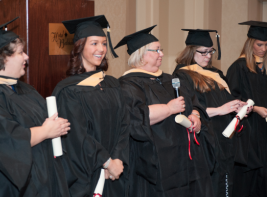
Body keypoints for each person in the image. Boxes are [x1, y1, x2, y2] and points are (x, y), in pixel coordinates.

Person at [0, 17, 71, 197]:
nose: (26, 57)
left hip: (41, 182)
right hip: (2, 188)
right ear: (3, 56)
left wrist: (55, 127)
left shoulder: (23, 89)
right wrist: (46, 131)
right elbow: (6, 139)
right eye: (20, 52)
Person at [115, 25, 214, 197]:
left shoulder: (173, 79)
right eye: (157, 50)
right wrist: (169, 109)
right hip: (157, 163)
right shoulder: (128, 84)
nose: (161, 54)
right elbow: (135, 118)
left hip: (187, 160)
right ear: (141, 54)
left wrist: (196, 116)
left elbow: (194, 103)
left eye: (161, 49)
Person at [52, 15, 129, 197]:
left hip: (116, 171)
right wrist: (106, 162)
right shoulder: (69, 89)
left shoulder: (112, 83)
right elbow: (77, 135)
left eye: (103, 43)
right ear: (80, 47)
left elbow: (124, 124)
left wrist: (117, 159)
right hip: (86, 173)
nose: (101, 49)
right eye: (94, 43)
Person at [173, 29, 255, 197]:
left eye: (211, 51)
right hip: (205, 140)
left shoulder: (216, 74)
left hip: (225, 138)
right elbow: (189, 110)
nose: (208, 56)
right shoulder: (182, 75)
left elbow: (227, 101)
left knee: (226, 186)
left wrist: (238, 107)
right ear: (190, 51)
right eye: (203, 52)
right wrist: (221, 110)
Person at [226, 21, 267, 197]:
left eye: (266, 45)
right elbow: (232, 100)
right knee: (247, 180)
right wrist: (256, 108)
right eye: (260, 44)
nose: (264, 49)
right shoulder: (238, 67)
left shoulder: (261, 69)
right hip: (247, 132)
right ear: (250, 44)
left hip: (262, 130)